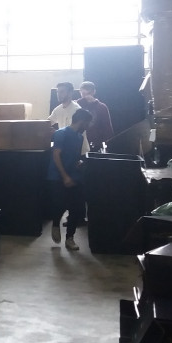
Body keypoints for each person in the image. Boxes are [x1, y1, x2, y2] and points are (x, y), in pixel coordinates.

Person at [48, 108, 93, 252]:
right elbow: (56, 155)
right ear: (82, 121)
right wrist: (65, 176)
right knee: (60, 204)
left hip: (74, 176)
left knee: (77, 207)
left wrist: (79, 163)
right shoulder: (61, 134)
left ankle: (70, 238)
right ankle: (56, 223)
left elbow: (75, 157)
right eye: (88, 123)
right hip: (57, 176)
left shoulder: (80, 137)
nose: (88, 126)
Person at [47, 82, 90, 155]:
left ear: (70, 93)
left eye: (62, 92)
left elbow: (73, 132)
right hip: (66, 148)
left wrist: (56, 133)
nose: (58, 94)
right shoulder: (58, 109)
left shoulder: (77, 110)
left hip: (78, 151)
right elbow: (48, 122)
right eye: (57, 92)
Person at [77, 81, 114, 152]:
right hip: (79, 144)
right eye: (84, 94)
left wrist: (107, 146)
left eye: (89, 93)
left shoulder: (102, 107)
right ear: (80, 92)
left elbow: (107, 129)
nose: (87, 96)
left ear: (94, 92)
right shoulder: (76, 105)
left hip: (96, 145)